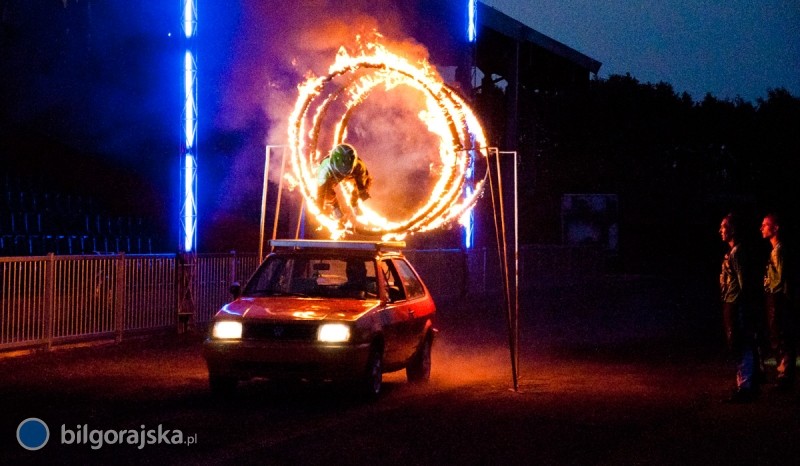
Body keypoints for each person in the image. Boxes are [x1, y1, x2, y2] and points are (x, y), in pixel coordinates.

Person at [719, 213, 762, 402]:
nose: (720, 230)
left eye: (724, 226)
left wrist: (744, 306)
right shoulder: (732, 253)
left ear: (733, 230)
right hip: (733, 302)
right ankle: (745, 384)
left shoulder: (737, 253)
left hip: (737, 303)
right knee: (737, 343)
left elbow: (744, 282)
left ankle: (746, 386)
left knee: (741, 342)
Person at [760, 212, 796, 391]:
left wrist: (780, 298)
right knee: (777, 334)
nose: (761, 228)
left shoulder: (780, 250)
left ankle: (785, 374)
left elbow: (781, 278)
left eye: (766, 225)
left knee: (781, 335)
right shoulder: (775, 250)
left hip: (779, 297)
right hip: (775, 296)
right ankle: (784, 373)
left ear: (776, 228)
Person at [316, 143, 372, 221]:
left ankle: (354, 203)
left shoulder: (359, 166)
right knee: (326, 193)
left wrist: (361, 193)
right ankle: (334, 206)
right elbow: (320, 193)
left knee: (364, 184)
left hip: (352, 174)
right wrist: (320, 208)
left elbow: (361, 184)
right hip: (333, 175)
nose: (343, 174)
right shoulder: (324, 169)